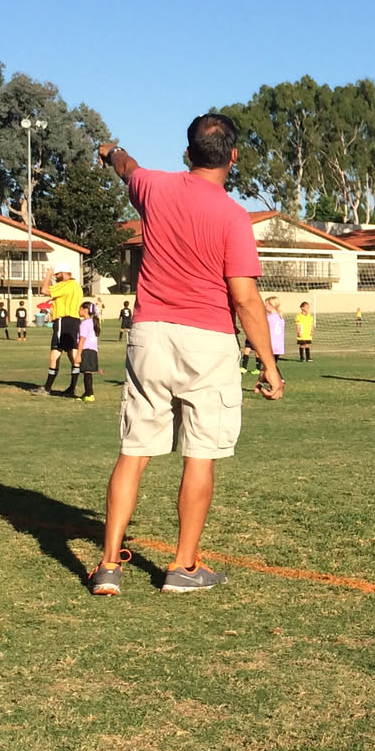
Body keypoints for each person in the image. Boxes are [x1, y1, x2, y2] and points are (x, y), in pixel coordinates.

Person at [88, 116, 280, 598]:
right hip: (208, 341)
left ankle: (108, 566)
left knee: (134, 452)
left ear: (188, 153)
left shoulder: (154, 187)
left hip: (150, 334)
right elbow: (245, 299)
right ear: (233, 157)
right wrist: (269, 364)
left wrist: (111, 151)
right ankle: (183, 566)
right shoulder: (233, 217)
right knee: (201, 453)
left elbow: (127, 166)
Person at [42, 267, 84, 394]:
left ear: (64, 273)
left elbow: (44, 290)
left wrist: (48, 275)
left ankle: (47, 387)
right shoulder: (77, 286)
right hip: (75, 321)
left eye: (57, 274)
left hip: (63, 320)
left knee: (55, 354)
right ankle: (72, 387)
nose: (56, 276)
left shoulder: (66, 285)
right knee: (73, 354)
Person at [71, 303, 101, 401]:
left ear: (85, 310)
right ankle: (87, 393)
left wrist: (78, 354)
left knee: (87, 372)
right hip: (93, 350)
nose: (78, 311)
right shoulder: (93, 322)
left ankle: (90, 394)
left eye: (80, 309)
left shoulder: (84, 323)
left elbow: (82, 339)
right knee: (88, 372)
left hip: (86, 350)